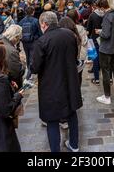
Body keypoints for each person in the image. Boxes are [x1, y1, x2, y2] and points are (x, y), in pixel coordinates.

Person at [30, 12, 82, 153]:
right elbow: (74, 55)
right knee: (72, 114)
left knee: (52, 120)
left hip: (50, 86)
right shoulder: (69, 35)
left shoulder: (42, 41)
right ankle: (74, 144)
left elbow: (35, 67)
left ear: (44, 24)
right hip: (70, 81)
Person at [95, 0, 114, 105]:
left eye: (99, 8)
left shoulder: (107, 17)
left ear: (102, 7)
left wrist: (99, 31)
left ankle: (107, 96)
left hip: (106, 48)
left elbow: (106, 34)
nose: (99, 10)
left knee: (105, 71)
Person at [19, 6, 41, 82]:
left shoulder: (21, 21)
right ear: (33, 12)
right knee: (32, 58)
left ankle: (29, 72)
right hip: (33, 41)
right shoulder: (36, 21)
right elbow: (39, 32)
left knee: (28, 56)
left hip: (25, 42)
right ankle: (28, 76)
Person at [66, 10, 88, 85]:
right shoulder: (80, 28)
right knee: (78, 77)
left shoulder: (63, 28)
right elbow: (84, 42)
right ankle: (77, 94)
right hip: (79, 57)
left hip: (67, 57)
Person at [86, 3, 104, 84]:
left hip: (94, 38)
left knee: (95, 58)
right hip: (104, 39)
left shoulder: (92, 15)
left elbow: (88, 29)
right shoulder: (106, 15)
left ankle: (96, 79)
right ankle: (109, 79)